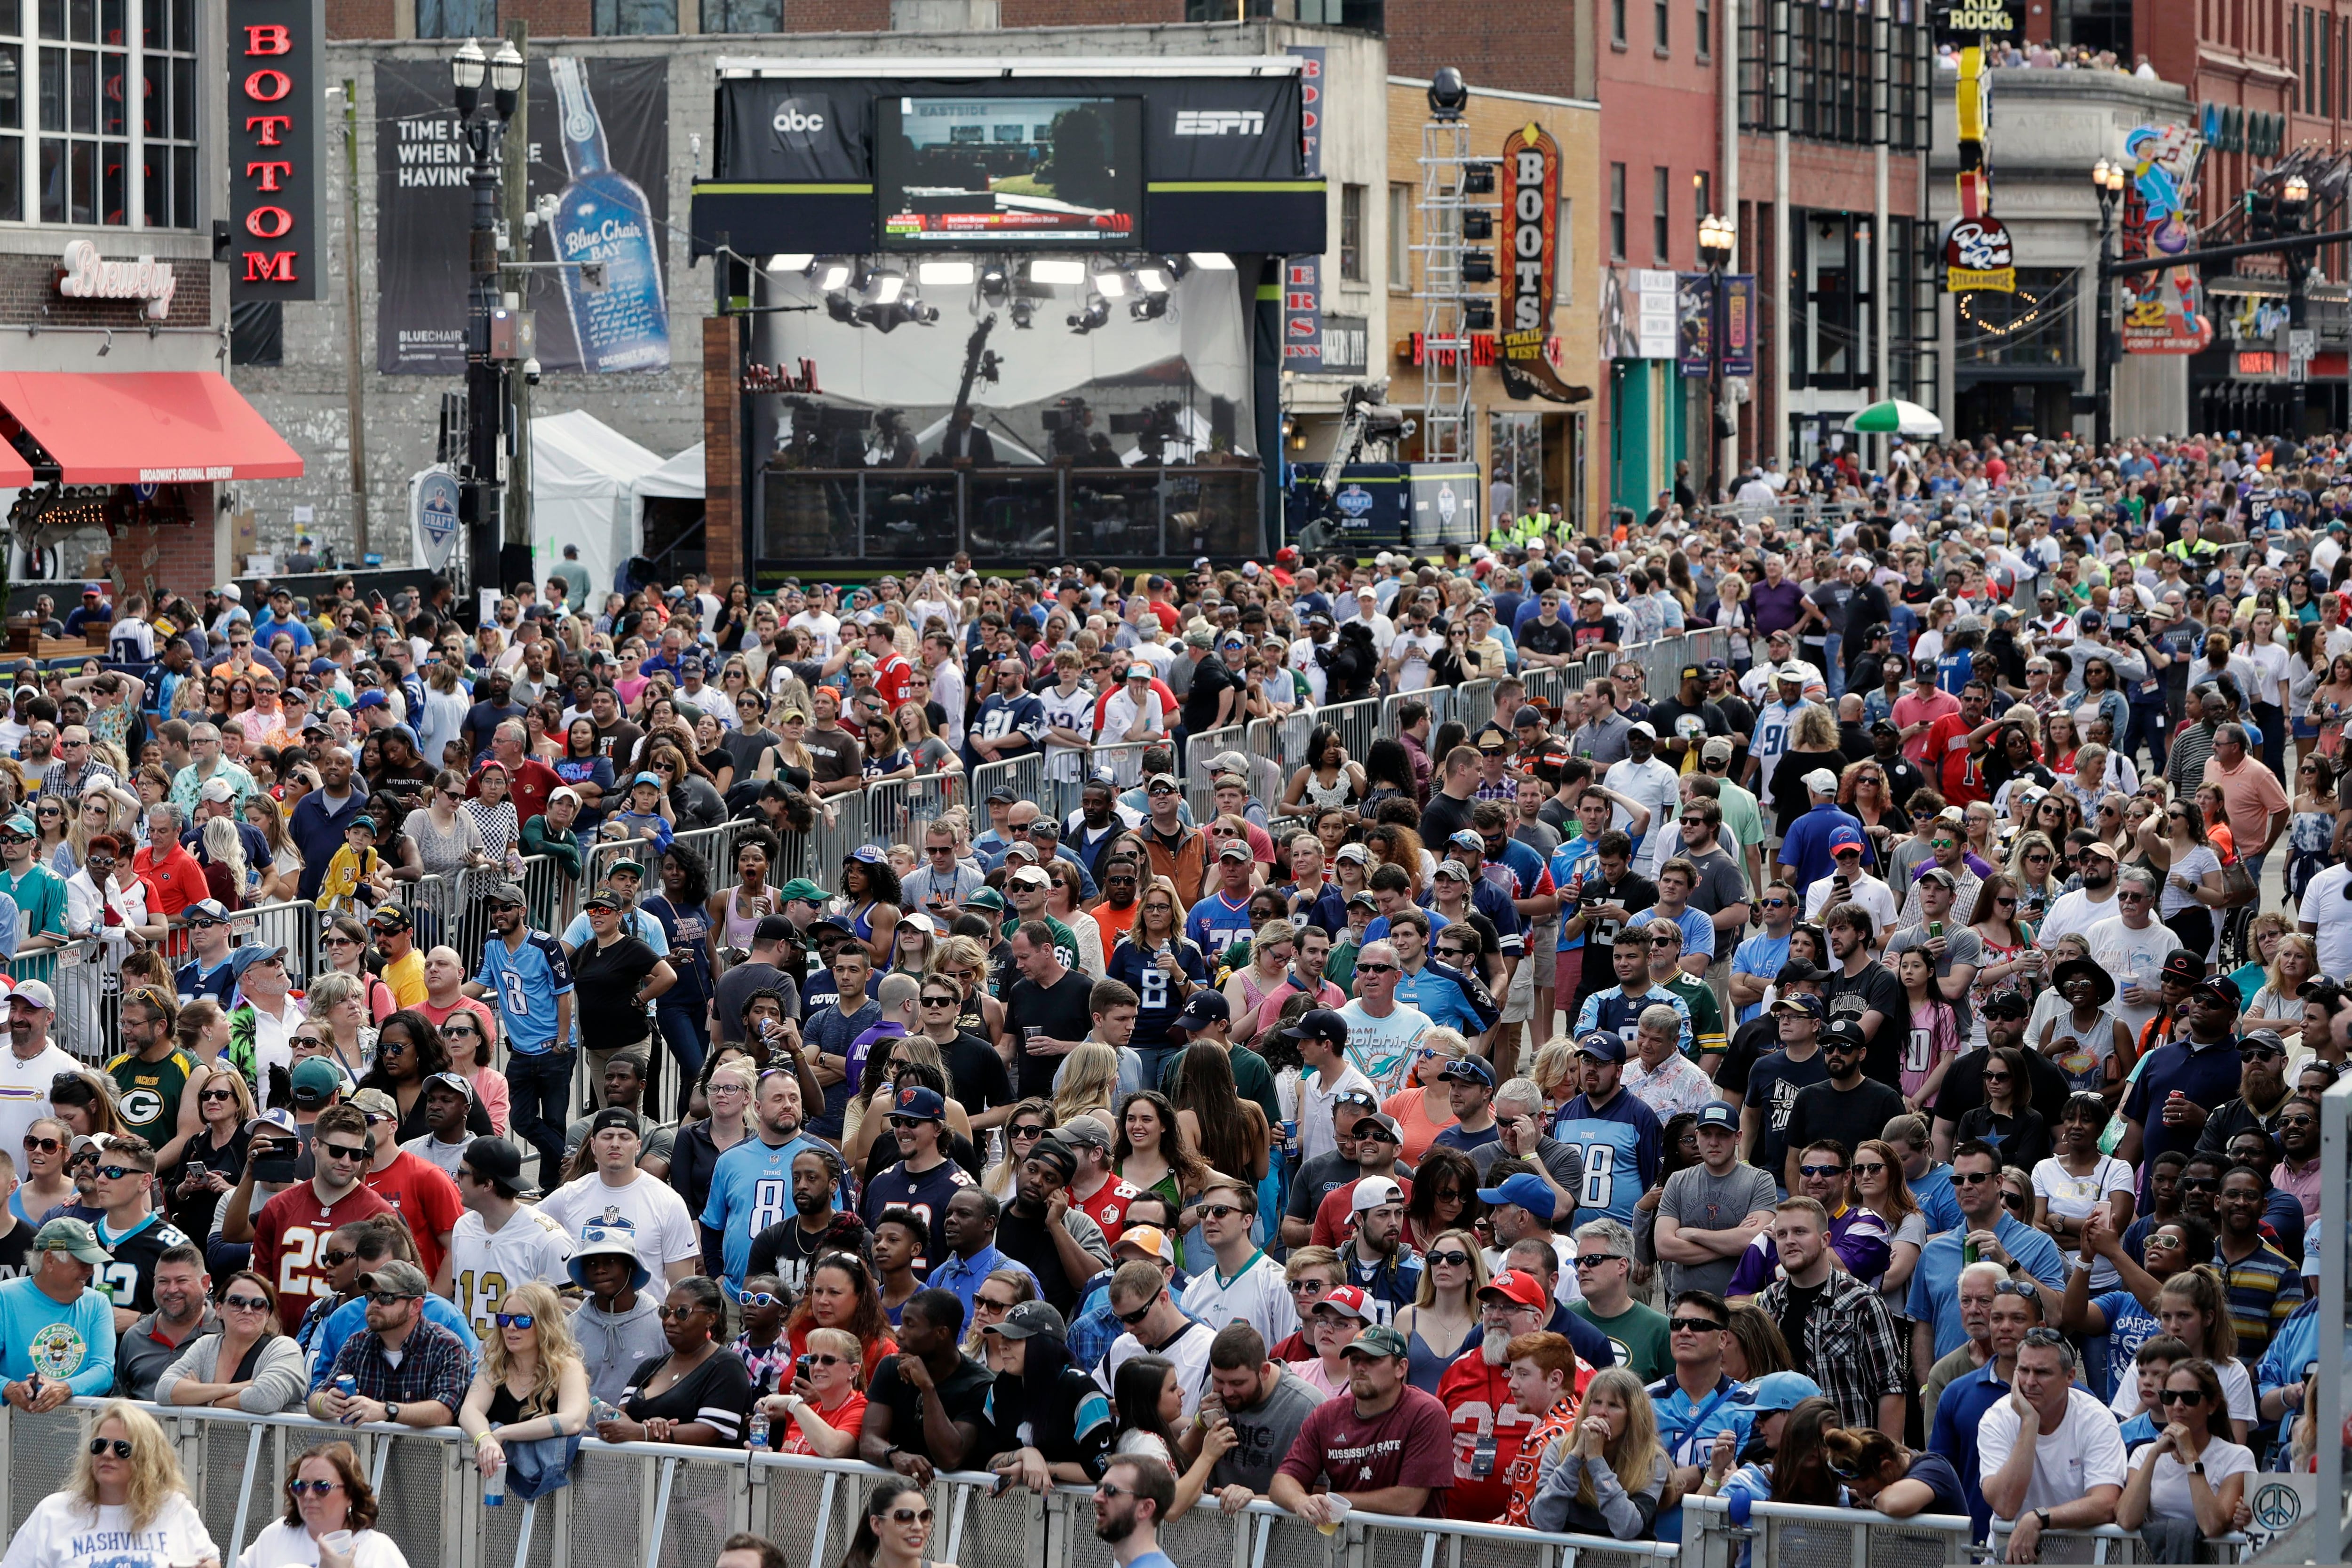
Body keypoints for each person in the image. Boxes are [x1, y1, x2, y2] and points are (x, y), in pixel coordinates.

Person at [1268, 1322, 1455, 1521]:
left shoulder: (1426, 1413)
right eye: (1355, 1360)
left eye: (1372, 1360)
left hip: (1411, 1546)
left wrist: (1333, 1501)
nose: (1360, 1367)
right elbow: (1282, 1482)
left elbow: (1409, 1502)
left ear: (1401, 1368)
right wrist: (1301, 1501)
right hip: (1344, 1544)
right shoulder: (1326, 1415)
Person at [1753, 1197, 1907, 1437]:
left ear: (1825, 1240)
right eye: (1782, 1234)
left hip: (1848, 1454)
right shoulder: (1768, 1302)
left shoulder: (1863, 1302)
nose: (1789, 1241)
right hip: (1788, 1456)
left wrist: (1885, 1460)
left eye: (1800, 1232)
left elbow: (1891, 1388)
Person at [0, 1401, 220, 1568]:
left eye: (121, 1448)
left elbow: (210, 1562)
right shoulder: (54, 1512)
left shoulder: (174, 1508)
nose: (107, 1454)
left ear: (147, 1458)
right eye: (100, 1445)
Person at [1976, 1328, 2128, 1563]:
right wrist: (2029, 1422)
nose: (2029, 1382)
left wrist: (2040, 1519)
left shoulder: (2096, 1417)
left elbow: (2106, 1503)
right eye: (2023, 1371)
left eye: (2042, 1373)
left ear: (2070, 1377)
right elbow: (2005, 1506)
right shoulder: (1996, 1418)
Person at [456, 1280, 592, 1487]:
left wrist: (503, 1433)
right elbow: (469, 1411)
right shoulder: (494, 1365)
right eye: (504, 1319)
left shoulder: (568, 1367)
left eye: (522, 1321)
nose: (511, 1327)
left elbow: (572, 1420)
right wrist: (485, 1439)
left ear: (545, 1324)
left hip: (554, 1491)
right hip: (496, 1486)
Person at [439, 1136, 574, 1339]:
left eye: (462, 1172)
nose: (456, 1179)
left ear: (487, 1184)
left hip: (522, 1365)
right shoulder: (463, 1227)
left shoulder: (548, 1240)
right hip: (470, 1362)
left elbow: (571, 1314)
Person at [597, 1275, 754, 1448]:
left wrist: (646, 1433)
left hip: (701, 1472)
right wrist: (647, 1427)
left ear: (711, 1318)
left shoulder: (727, 1365)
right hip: (640, 1471)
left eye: (682, 1313)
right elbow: (622, 1418)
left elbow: (709, 1432)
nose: (670, 1321)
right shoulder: (649, 1366)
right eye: (665, 1312)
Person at [856, 1286, 993, 1481]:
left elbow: (950, 1458)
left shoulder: (980, 1385)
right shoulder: (890, 1367)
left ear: (941, 1333)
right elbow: (868, 1441)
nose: (899, 1334)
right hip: (901, 1493)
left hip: (960, 1499)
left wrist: (928, 1388)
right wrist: (894, 1455)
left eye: (910, 1325)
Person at [2112, 1357, 2256, 1542]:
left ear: (2212, 1405)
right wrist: (2154, 1454)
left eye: (2190, 1398)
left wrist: (2190, 1455)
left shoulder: (2237, 1457)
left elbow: (2212, 1525)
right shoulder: (2143, 1453)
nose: (2178, 1406)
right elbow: (2126, 1519)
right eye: (2169, 1397)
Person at [1526, 1366, 1670, 1539]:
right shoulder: (1558, 1450)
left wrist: (1596, 1461)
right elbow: (1545, 1521)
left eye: (1614, 1405)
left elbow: (1627, 1528)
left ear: (1633, 1416)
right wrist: (1574, 1458)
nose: (1602, 1412)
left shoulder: (1652, 1461)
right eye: (1596, 1402)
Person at [1654, 1100, 1779, 1300]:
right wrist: (1733, 1241)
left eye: (1723, 1134)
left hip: (1739, 1308)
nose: (1714, 1142)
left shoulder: (1760, 1180)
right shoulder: (1678, 1181)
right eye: (1706, 1134)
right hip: (1686, 1306)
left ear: (1738, 1137)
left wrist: (1692, 1233)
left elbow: (1754, 1240)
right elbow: (1664, 1247)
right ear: (1697, 1136)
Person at [1199, 1323, 1324, 1507]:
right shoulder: (1213, 1388)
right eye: (1219, 1380)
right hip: (1220, 1526)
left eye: (1238, 1383)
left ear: (1265, 1371)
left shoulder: (1307, 1405)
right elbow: (1184, 1462)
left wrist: (1254, 1501)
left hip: (1285, 1531)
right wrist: (1199, 1424)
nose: (1226, 1392)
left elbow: (1319, 1495)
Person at [0, 1219, 119, 1405]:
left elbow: (104, 1372)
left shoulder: (97, 1303)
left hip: (77, 1427)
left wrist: (65, 1388)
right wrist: (8, 1387)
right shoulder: (5, 1297)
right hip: (10, 1427)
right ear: (50, 1260)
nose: (91, 1270)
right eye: (83, 1262)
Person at [155, 1267, 305, 1413]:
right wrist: (232, 1388)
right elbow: (164, 1390)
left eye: (258, 1305)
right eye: (236, 1302)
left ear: (267, 1314)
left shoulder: (285, 1349)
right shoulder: (206, 1345)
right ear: (219, 1309)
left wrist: (202, 1398)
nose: (247, 1310)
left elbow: (264, 1399)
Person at [1568, 1218, 1672, 1380]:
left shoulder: (1660, 1329)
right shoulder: (1563, 1318)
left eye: (1592, 1260)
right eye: (1578, 1262)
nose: (1581, 1269)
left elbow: (1673, 1395)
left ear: (1622, 1266)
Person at [1822, 1426, 1968, 1519]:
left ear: (1886, 1467)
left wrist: (1871, 1501)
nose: (1861, 1495)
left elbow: (1895, 1503)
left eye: (1866, 1488)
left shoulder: (1934, 1468)